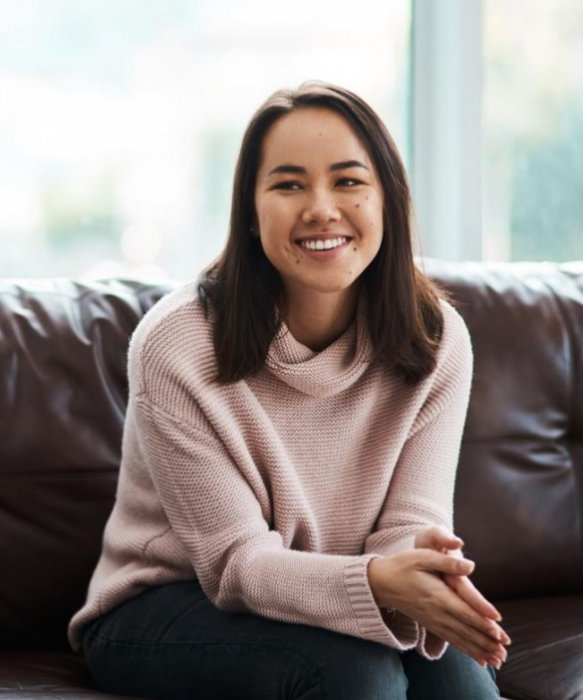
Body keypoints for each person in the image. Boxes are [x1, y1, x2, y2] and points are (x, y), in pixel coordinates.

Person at [69, 81, 510, 699]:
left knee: (459, 680)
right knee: (354, 675)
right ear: (251, 213)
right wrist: (381, 583)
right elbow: (235, 567)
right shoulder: (177, 345)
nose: (322, 208)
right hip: (166, 605)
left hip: (345, 588)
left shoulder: (436, 337)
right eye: (289, 184)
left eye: (350, 181)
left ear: (388, 200)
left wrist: (429, 573)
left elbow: (409, 522)